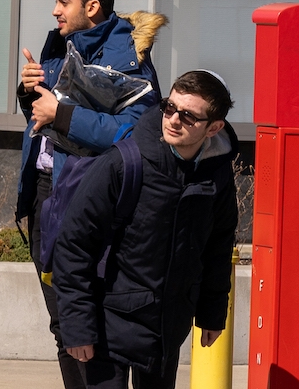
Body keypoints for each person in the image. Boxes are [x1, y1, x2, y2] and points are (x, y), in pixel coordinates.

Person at [15, 0, 165, 388]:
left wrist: (60, 114)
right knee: (63, 323)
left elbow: (135, 132)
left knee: (84, 324)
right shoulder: (59, 45)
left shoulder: (127, 57)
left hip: (88, 201)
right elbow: (42, 115)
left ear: (92, 6)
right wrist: (29, 92)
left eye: (63, 2)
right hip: (46, 197)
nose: (54, 11)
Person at [51, 71, 237, 389]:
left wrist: (211, 311)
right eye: (169, 107)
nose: (174, 119)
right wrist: (77, 325)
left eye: (189, 116)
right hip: (107, 326)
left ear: (214, 128)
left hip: (167, 328)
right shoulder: (123, 164)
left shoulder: (215, 176)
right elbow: (73, 245)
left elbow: (217, 247)